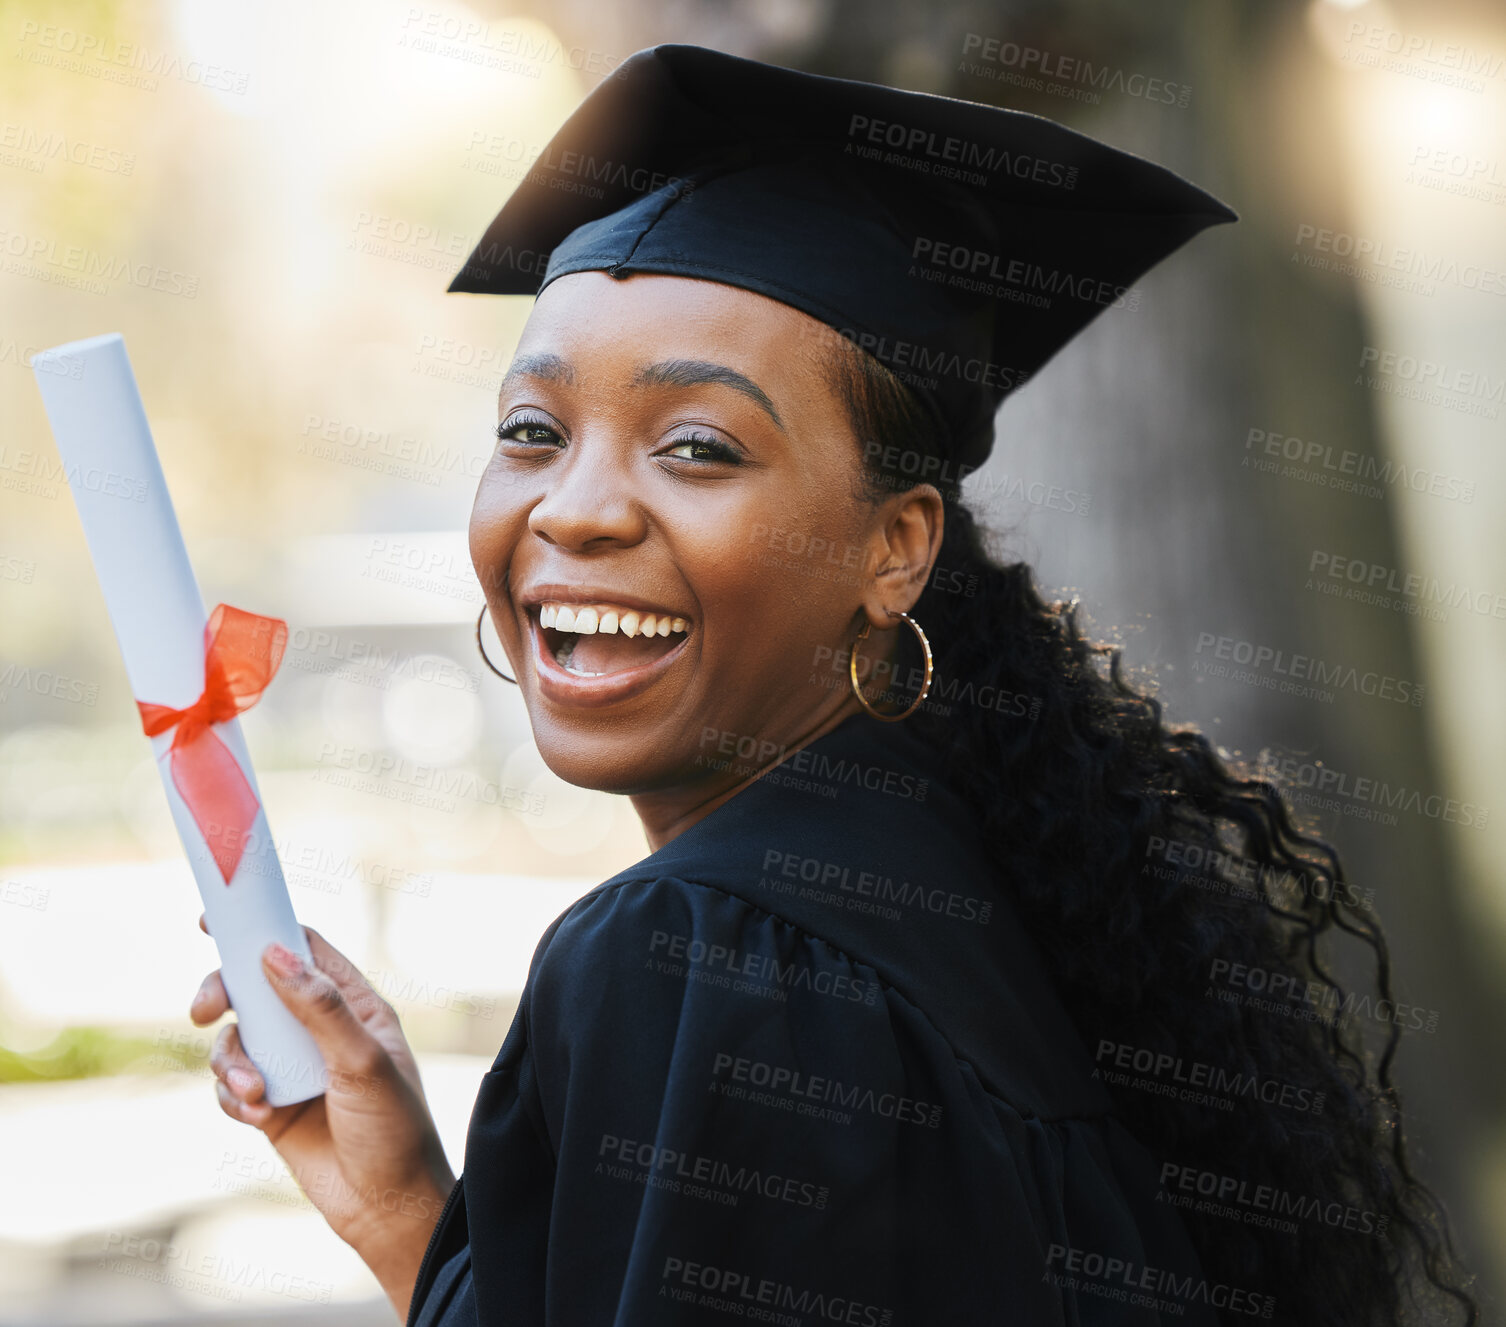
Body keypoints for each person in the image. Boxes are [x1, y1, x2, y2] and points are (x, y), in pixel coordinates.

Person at [189, 45, 1478, 1327]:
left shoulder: (706, 952)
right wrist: (405, 1202)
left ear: (895, 547)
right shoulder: (991, 903)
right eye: (533, 432)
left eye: (697, 446)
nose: (572, 510)